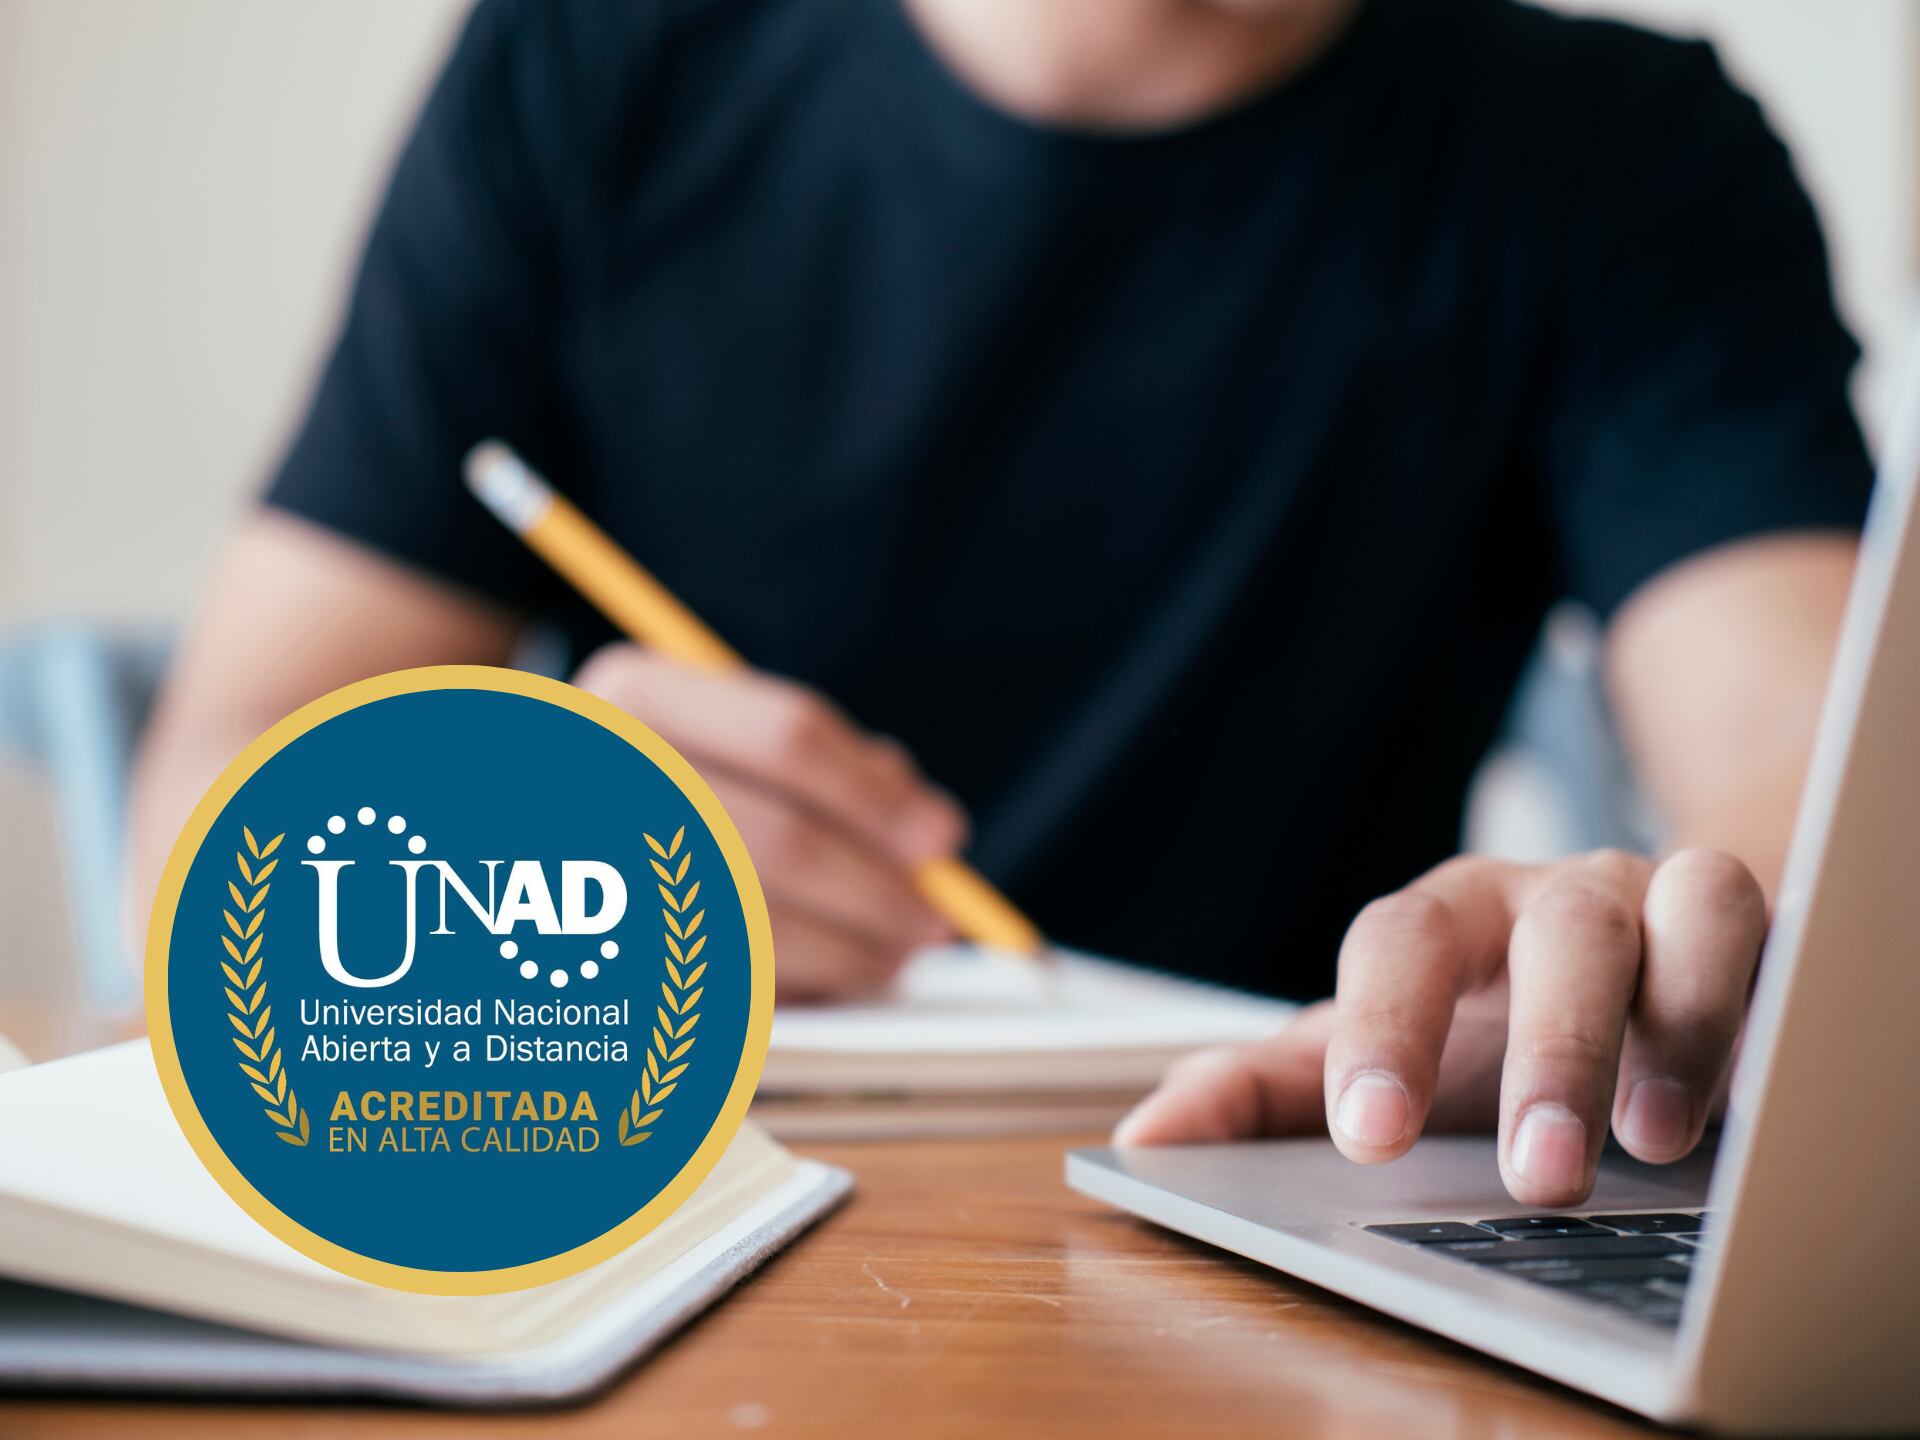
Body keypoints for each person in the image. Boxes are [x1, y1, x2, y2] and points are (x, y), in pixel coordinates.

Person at [129, 0, 1870, 1207]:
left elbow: (1824, 797)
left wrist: (1662, 971)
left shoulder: (1626, 157)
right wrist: (530, 855)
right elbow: (200, 840)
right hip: (663, 1178)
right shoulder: (595, 65)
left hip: (1280, 1188)